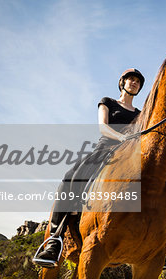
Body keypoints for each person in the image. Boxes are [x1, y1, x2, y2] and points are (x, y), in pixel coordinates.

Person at [33, 68, 145, 268]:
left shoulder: (140, 114)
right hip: (105, 149)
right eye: (131, 79)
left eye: (137, 81)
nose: (134, 83)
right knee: (70, 178)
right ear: (123, 82)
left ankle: (149, 245)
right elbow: (103, 127)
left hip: (129, 156)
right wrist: (122, 137)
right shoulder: (108, 102)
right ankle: (54, 239)